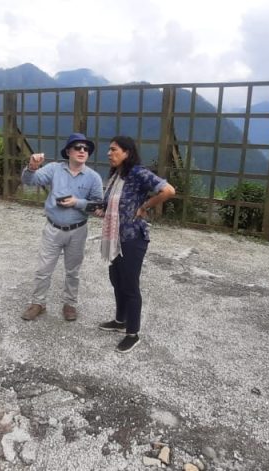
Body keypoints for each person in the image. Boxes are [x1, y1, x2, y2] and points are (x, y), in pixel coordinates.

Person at [94, 136, 175, 353]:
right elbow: (113, 204)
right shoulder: (116, 176)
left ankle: (133, 333)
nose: (109, 153)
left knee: (130, 285)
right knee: (116, 279)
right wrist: (102, 210)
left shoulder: (138, 173)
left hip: (132, 239)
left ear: (127, 153)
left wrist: (145, 206)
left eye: (114, 150)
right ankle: (120, 321)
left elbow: (168, 190)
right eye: (109, 150)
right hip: (115, 238)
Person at [19, 133, 104, 322]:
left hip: (78, 230)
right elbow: (29, 181)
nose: (82, 151)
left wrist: (77, 202)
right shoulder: (54, 169)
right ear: (68, 151)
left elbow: (98, 205)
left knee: (73, 271)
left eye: (86, 148)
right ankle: (38, 303)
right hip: (53, 228)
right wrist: (32, 166)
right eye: (77, 147)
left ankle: (70, 304)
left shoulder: (94, 178)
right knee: (43, 269)